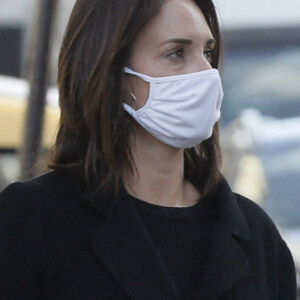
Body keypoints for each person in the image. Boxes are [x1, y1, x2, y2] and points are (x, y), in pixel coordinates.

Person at [0, 0, 297, 299]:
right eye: (176, 53)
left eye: (208, 52)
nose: (206, 73)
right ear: (113, 73)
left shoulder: (256, 236)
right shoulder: (32, 220)